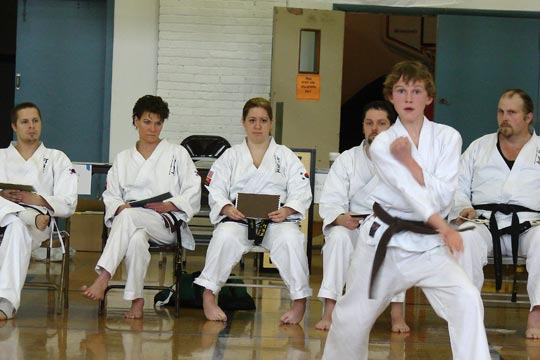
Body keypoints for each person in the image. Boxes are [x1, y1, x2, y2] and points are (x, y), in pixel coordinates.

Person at [322, 61, 490, 359]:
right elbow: (409, 191)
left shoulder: (448, 137)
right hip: (384, 243)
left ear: (429, 97)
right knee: (352, 318)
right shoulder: (383, 143)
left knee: (466, 299)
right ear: (391, 97)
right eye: (401, 90)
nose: (409, 98)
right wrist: (444, 225)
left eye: (416, 90)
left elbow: (443, 194)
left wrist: (410, 163)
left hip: (429, 245)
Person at [194, 97, 313, 324]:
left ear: (271, 123)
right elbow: (216, 189)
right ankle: (209, 296)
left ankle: (299, 301)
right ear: (243, 122)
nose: (257, 126)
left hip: (276, 222)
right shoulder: (230, 156)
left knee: (292, 240)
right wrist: (227, 208)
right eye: (252, 120)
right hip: (238, 220)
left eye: (263, 120)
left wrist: (287, 210)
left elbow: (301, 189)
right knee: (223, 237)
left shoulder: (285, 156)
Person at [81, 95, 201, 319]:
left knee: (127, 218)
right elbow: (111, 194)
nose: (153, 128)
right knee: (135, 238)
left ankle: (104, 276)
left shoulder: (178, 154)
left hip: (165, 223)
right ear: (135, 121)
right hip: (132, 221)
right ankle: (137, 301)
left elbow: (193, 191)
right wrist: (120, 206)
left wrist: (169, 204)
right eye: (147, 122)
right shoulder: (123, 158)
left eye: (158, 123)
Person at [451, 88, 540, 339]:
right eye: (501, 111)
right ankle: (469, 314)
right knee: (465, 237)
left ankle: (537, 312)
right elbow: (457, 184)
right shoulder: (479, 147)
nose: (504, 117)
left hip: (530, 225)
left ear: (528, 117)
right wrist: (462, 207)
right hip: (482, 221)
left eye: (512, 112)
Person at [316, 100, 410, 333]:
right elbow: (331, 199)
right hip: (353, 227)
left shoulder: (404, 161)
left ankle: (397, 314)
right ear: (363, 127)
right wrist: (340, 218)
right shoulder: (347, 160)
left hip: (386, 228)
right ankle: (330, 310)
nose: (374, 129)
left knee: (397, 241)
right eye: (369, 123)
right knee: (337, 238)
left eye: (381, 123)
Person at [0, 102, 78, 320]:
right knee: (14, 217)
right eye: (25, 122)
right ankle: (22, 214)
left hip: (38, 223)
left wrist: (34, 198)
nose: (31, 126)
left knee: (16, 227)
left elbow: (70, 202)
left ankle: (5, 303)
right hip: (14, 217)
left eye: (35, 121)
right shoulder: (0, 156)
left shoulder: (57, 158)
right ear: (14, 127)